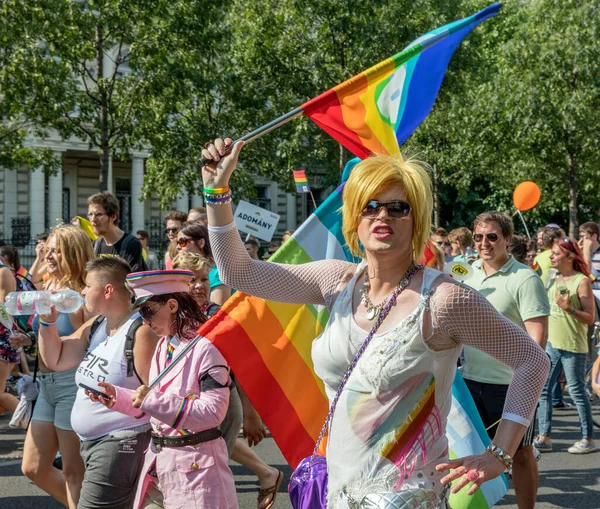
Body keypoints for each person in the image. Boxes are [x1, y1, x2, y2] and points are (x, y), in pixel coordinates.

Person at [201, 138, 549, 507]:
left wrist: (499, 454)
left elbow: (533, 360)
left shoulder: (444, 300)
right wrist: (216, 191)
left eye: (398, 207)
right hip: (339, 491)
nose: (382, 216)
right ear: (354, 217)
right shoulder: (336, 281)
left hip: (408, 495)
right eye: (370, 206)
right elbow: (238, 273)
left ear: (416, 220)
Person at [89, 270, 239, 509]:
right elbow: (153, 405)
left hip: (196, 472)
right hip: (161, 469)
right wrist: (117, 398)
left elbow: (213, 412)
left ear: (171, 305)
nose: (145, 321)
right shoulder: (164, 345)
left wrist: (150, 400)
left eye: (148, 311)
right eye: (141, 313)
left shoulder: (207, 347)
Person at [37, 257, 159, 509]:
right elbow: (54, 359)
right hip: (94, 443)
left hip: (122, 442)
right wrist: (47, 321)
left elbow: (155, 394)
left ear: (108, 290)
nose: (81, 291)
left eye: (87, 285)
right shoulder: (98, 324)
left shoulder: (140, 329)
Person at [173, 252, 283, 509]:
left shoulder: (216, 317)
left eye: (203, 279)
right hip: (186, 404)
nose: (199, 286)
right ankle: (266, 473)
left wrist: (250, 412)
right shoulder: (170, 316)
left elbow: (240, 365)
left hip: (221, 403)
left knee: (209, 468)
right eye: (192, 280)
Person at [461, 211, 549, 509]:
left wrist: (528, 387)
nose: (484, 243)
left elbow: (537, 340)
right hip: (469, 381)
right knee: (471, 451)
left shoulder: (524, 278)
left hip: (510, 385)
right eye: (478, 237)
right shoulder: (466, 272)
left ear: (507, 240)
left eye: (492, 237)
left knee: (519, 454)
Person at [9, 225, 93, 508]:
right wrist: (29, 338)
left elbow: (91, 343)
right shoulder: (50, 288)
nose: (49, 255)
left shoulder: (82, 294)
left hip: (73, 386)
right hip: (45, 385)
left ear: (74, 252)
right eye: (49, 249)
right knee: (33, 467)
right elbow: (51, 336)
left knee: (73, 471)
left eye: (57, 250)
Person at [534, 238, 597, 454]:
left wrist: (569, 309)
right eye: (551, 253)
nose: (551, 256)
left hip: (573, 347)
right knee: (543, 390)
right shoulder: (552, 279)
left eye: (555, 253)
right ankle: (544, 437)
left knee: (577, 392)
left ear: (570, 256)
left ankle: (588, 439)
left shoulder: (582, 281)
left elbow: (589, 318)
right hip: (552, 344)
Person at [176, 221, 232, 306]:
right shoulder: (180, 269)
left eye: (182, 242)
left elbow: (216, 315)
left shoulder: (219, 273)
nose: (178, 247)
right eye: (192, 280)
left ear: (201, 243)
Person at [88, 192, 147, 272]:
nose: (93, 219)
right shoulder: (95, 245)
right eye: (90, 215)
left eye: (98, 214)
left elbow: (133, 281)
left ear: (113, 217)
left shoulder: (131, 244)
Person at [578, 221, 600, 299]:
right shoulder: (582, 253)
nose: (581, 240)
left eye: (583, 237)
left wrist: (586, 251)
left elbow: (588, 277)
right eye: (580, 237)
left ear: (594, 237)